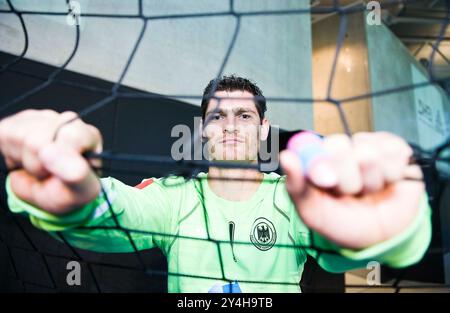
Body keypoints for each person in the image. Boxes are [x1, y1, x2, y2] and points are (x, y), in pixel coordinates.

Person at [0, 75, 431, 293]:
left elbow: (337, 245)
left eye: (243, 116)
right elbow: (121, 210)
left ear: (264, 129)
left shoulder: (293, 198)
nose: (229, 126)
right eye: (216, 117)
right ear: (202, 130)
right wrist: (77, 198)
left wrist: (387, 232)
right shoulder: (175, 198)